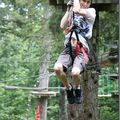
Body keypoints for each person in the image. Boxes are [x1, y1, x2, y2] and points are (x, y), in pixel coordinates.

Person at [54, 0, 96, 104]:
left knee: (75, 73)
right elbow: (62, 26)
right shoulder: (73, 12)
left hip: (81, 49)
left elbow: (77, 10)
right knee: (57, 68)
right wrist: (69, 10)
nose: (85, 3)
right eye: (83, 1)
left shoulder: (91, 12)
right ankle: (68, 87)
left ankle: (77, 87)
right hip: (68, 49)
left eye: (88, 2)